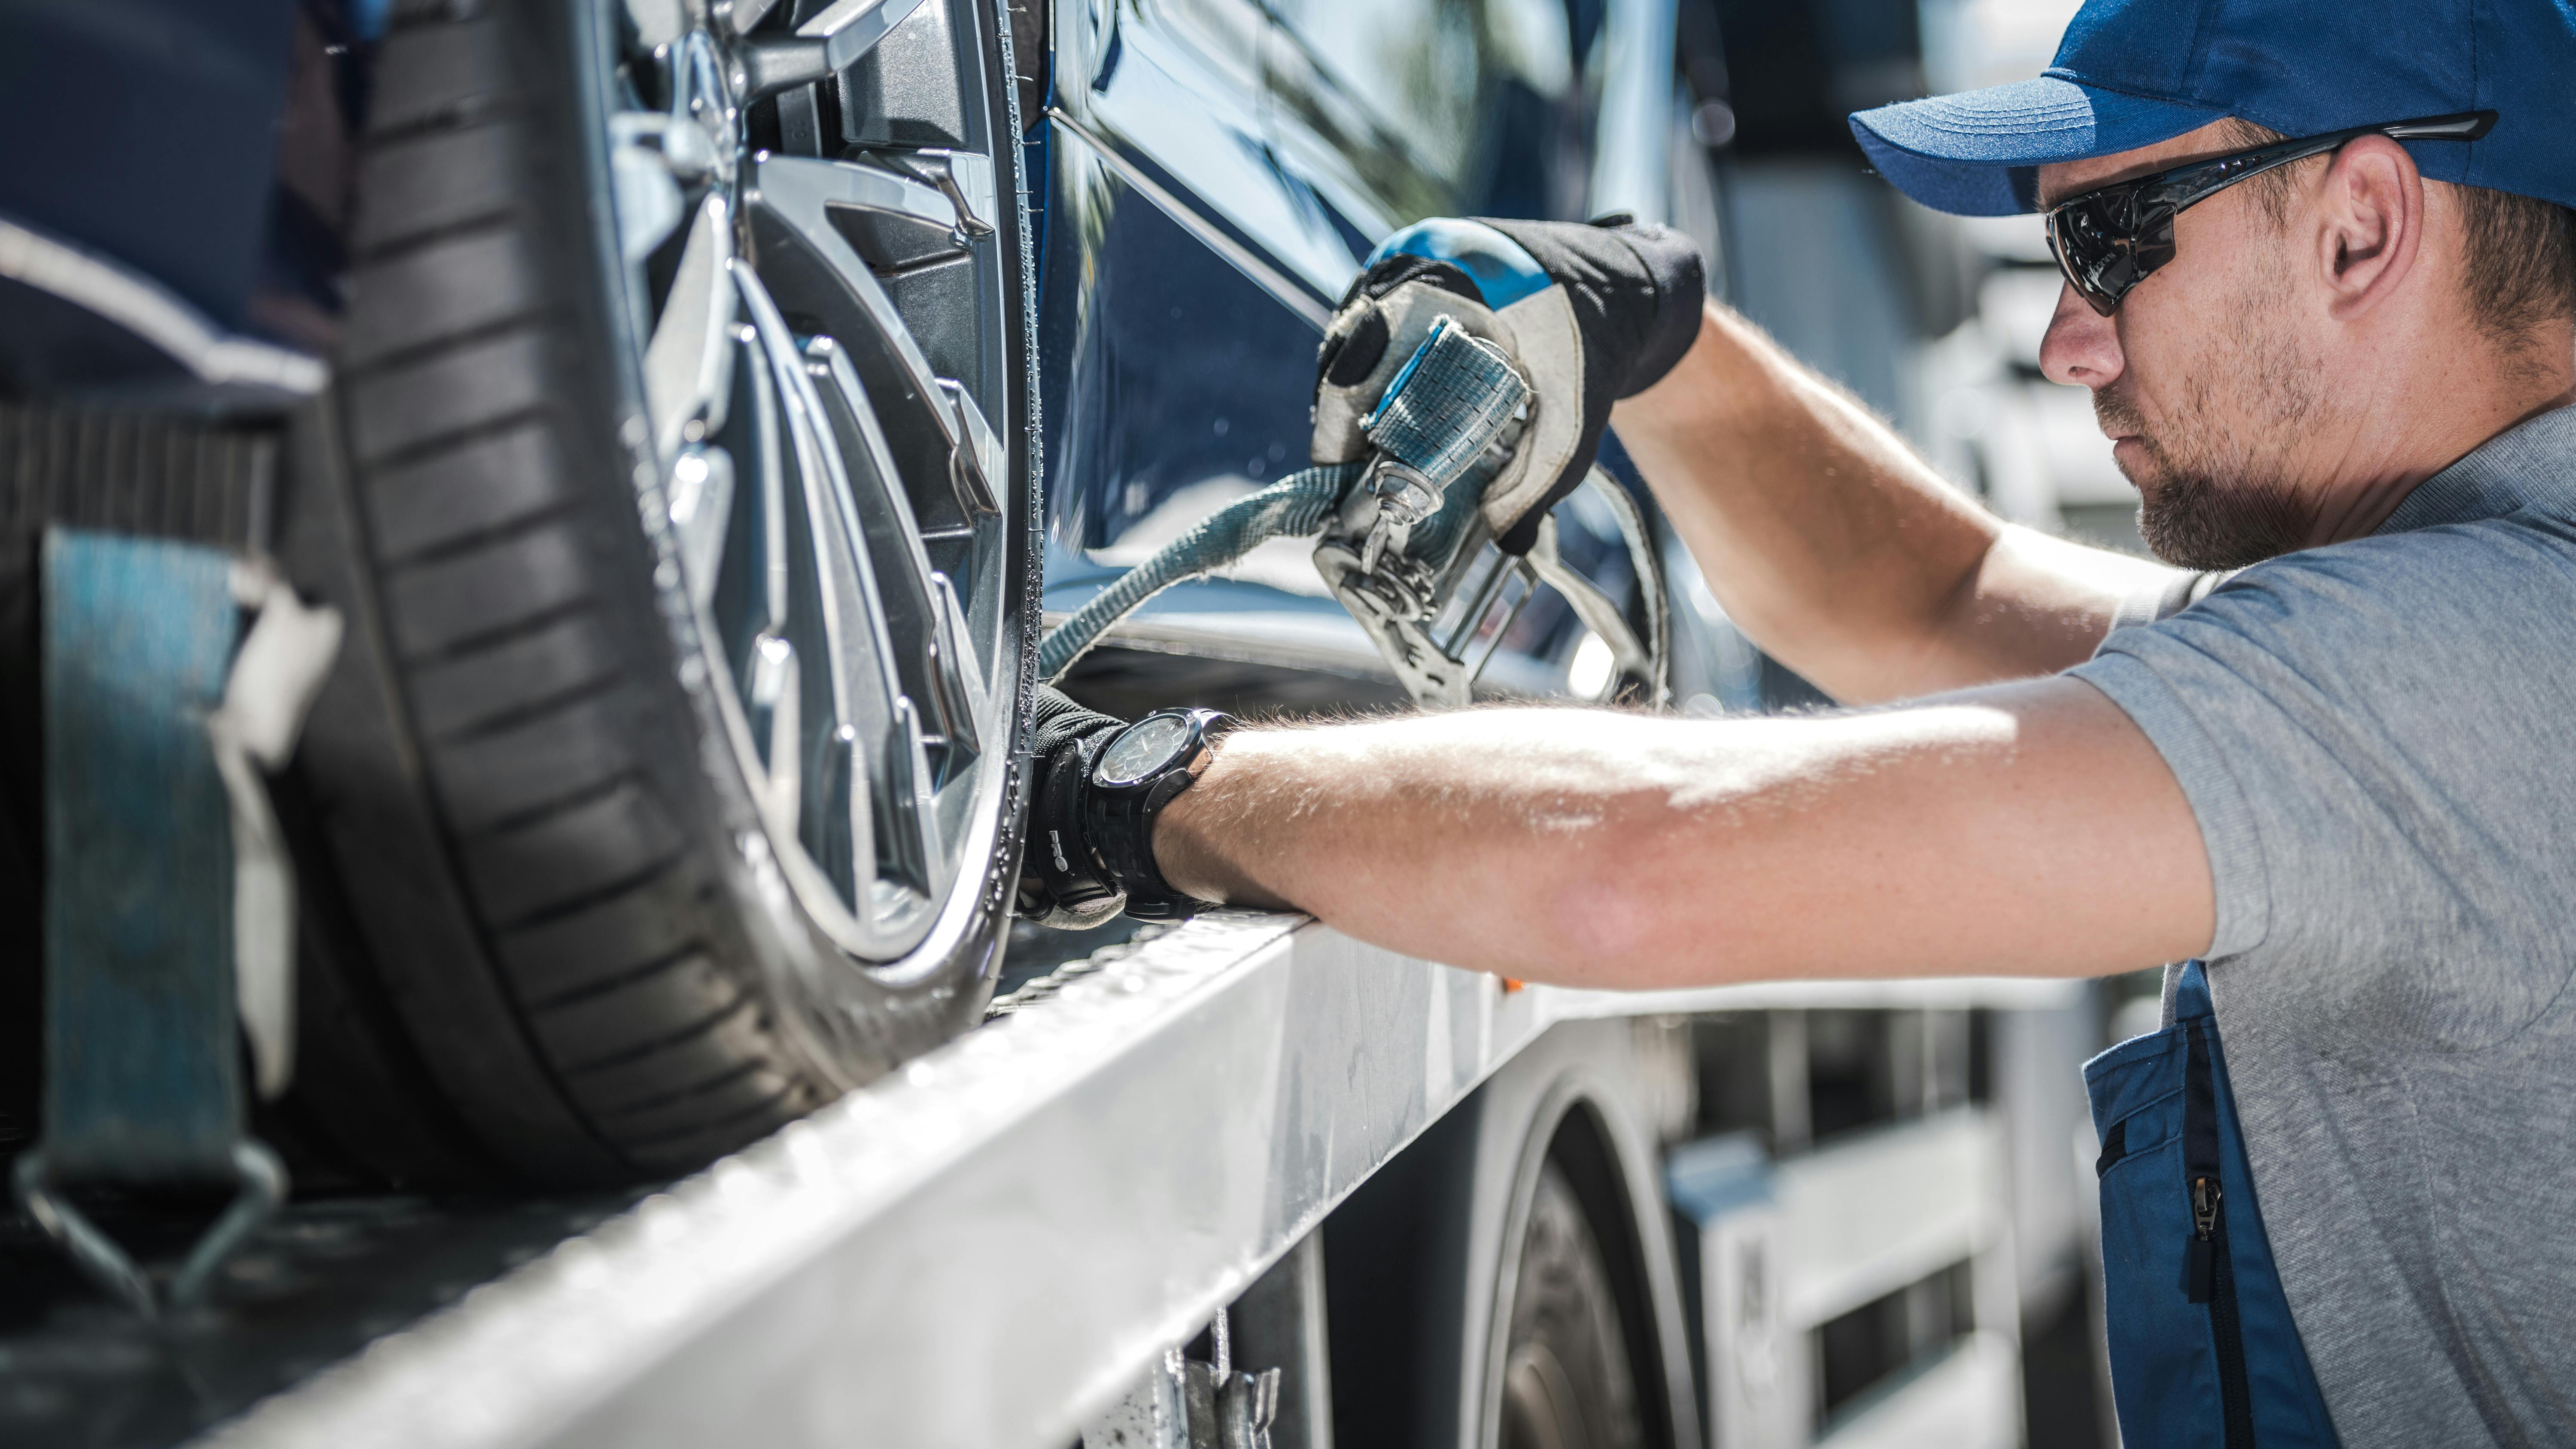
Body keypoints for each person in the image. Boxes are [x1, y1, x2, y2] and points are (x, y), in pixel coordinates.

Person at [1018, 0, 2576, 1442]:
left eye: (2107, 242)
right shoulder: (2463, 609)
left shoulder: (2453, 674)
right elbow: (1938, 601)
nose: (2065, 340)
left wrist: (1146, 792)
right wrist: (1658, 332)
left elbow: (1642, 868)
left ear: (2362, 228)